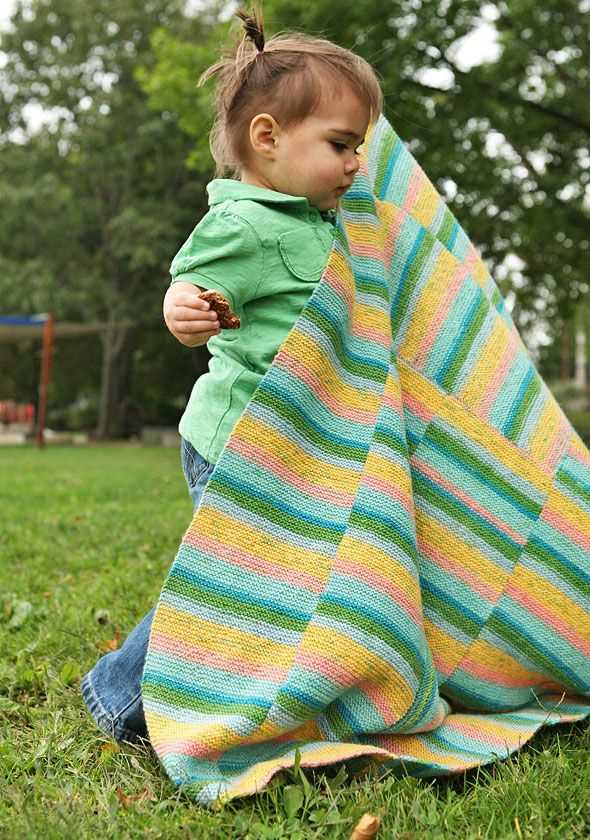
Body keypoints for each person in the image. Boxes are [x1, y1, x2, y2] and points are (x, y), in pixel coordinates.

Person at [80, 7, 383, 743]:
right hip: (237, 443)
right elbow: (187, 282)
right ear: (268, 138)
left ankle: (269, 692)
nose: (355, 164)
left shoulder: (330, 224)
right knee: (233, 579)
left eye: (360, 147)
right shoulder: (244, 223)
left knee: (290, 581)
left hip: (296, 453)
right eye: (340, 145)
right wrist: (183, 308)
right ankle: (118, 694)